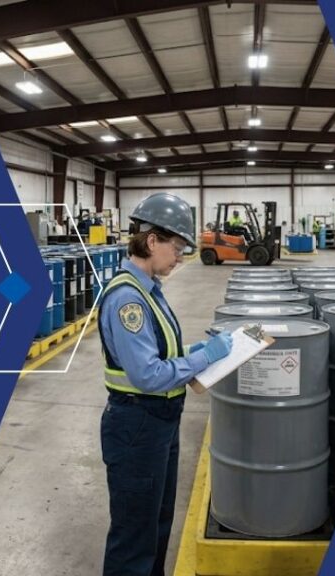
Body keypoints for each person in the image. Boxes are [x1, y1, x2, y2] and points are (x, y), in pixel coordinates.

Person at [98, 192, 233, 576]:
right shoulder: (129, 299)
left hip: (158, 422)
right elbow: (148, 374)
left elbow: (158, 351)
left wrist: (196, 349)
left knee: (156, 524)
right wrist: (204, 358)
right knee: (134, 536)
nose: (180, 257)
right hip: (137, 425)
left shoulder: (149, 289)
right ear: (151, 240)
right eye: (177, 247)